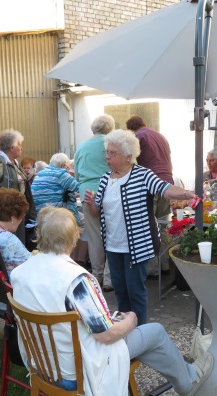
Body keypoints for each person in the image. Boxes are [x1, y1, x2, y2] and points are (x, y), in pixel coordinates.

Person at [11, 207, 213, 396]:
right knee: (153, 332)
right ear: (75, 237)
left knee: (133, 335)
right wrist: (131, 320)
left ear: (39, 234)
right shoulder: (75, 280)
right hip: (75, 368)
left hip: (42, 364)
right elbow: (106, 335)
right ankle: (187, 382)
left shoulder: (20, 272)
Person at [83, 129, 198, 326]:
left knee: (135, 290)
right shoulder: (104, 179)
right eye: (107, 153)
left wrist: (188, 194)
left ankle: (141, 332)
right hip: (113, 245)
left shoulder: (143, 175)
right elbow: (97, 212)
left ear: (128, 156)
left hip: (137, 245)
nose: (108, 157)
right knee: (120, 289)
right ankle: (125, 328)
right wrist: (92, 203)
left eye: (113, 153)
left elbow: (166, 189)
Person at [125, 115, 174, 279]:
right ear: (143, 123)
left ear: (131, 129)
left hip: (150, 184)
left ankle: (152, 269)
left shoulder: (137, 137)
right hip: (167, 183)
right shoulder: (160, 136)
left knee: (148, 226)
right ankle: (165, 264)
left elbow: (132, 163)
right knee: (163, 225)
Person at [74, 114, 115, 291]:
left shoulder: (81, 146)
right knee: (114, 234)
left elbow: (76, 174)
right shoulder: (111, 144)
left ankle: (97, 274)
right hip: (110, 191)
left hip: (87, 193)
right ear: (110, 129)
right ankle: (109, 278)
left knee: (95, 236)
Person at [0, 129, 36, 245]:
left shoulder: (15, 163)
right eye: (19, 144)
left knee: (17, 244)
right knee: (6, 246)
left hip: (15, 212)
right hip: (3, 213)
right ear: (12, 147)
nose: (21, 148)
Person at [31, 152, 81, 225]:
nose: (68, 169)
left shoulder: (40, 173)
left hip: (39, 215)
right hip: (55, 216)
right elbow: (79, 188)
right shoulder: (61, 174)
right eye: (68, 166)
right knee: (85, 221)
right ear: (63, 165)